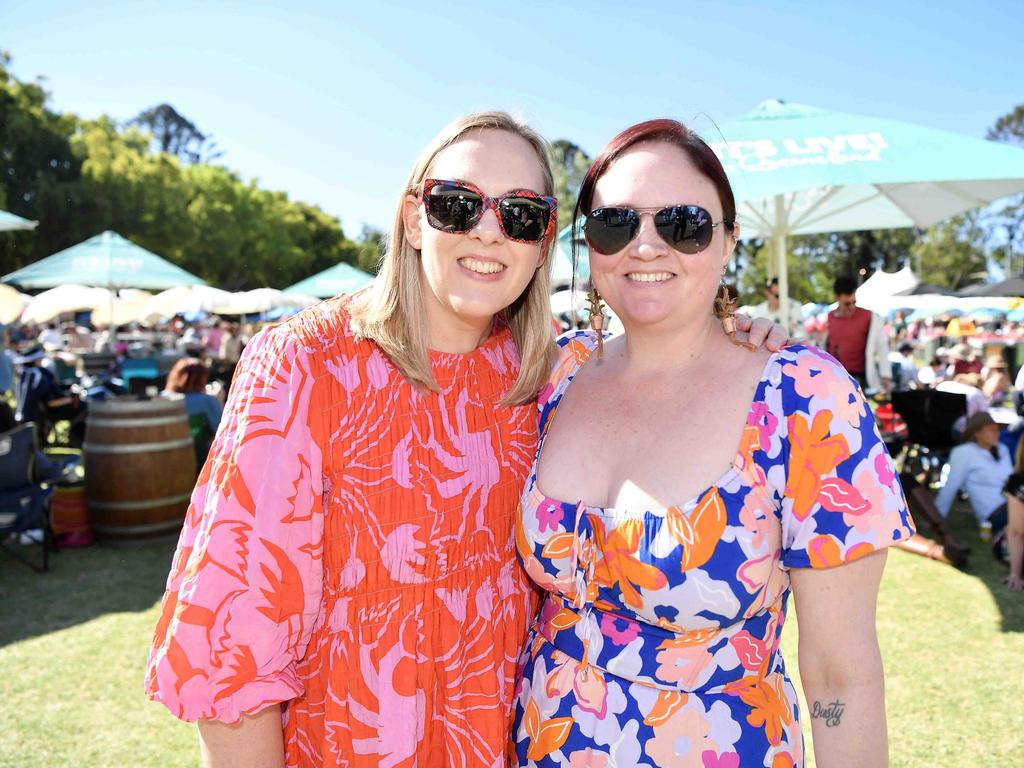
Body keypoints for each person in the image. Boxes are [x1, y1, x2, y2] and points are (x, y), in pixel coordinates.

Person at [143, 111, 788, 768]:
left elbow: (659, 366)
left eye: (522, 215)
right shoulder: (306, 365)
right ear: (413, 218)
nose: (488, 230)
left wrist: (735, 336)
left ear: (542, 242)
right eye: (457, 205)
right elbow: (230, 645)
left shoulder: (542, 376)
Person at [512, 119, 913, 767]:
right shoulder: (557, 373)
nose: (646, 247)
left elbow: (843, 676)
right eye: (617, 224)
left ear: (729, 240)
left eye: (683, 223)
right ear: (590, 249)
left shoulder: (804, 400)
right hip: (543, 743)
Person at [935, 411, 1012, 539]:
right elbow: (950, 487)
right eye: (991, 430)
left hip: (1014, 504)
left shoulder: (1002, 449)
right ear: (977, 433)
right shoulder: (964, 453)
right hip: (995, 512)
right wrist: (936, 518)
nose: (996, 434)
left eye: (997, 430)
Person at [825, 276, 890, 393]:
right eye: (847, 303)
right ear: (837, 298)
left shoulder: (868, 316)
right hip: (835, 376)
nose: (852, 307)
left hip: (861, 377)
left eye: (854, 302)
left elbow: (881, 346)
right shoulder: (830, 317)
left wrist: (886, 374)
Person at [162, 357, 224, 436]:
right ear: (202, 378)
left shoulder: (160, 399)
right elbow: (220, 431)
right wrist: (220, 402)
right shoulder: (208, 401)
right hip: (198, 446)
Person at [1000, 456, 1024, 590]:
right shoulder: (1018, 481)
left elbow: (1016, 531)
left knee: (1008, 530)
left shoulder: (1018, 480)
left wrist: (1015, 574)